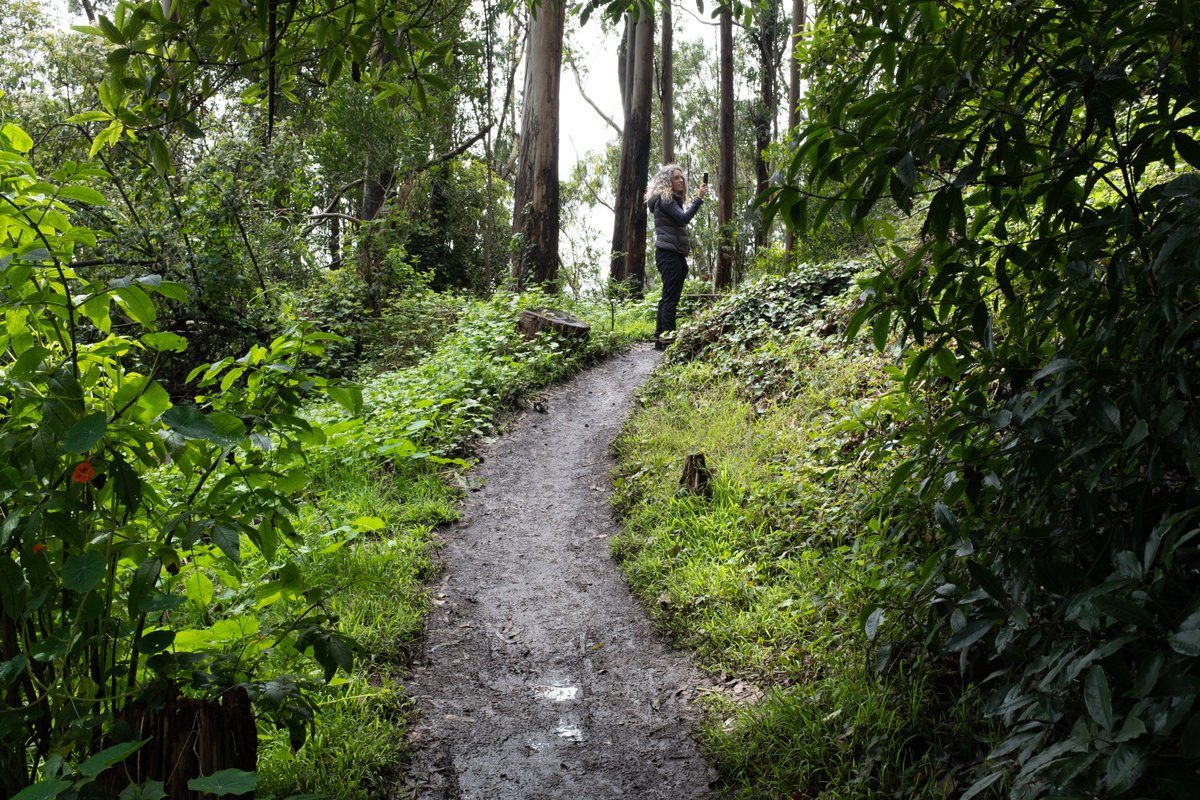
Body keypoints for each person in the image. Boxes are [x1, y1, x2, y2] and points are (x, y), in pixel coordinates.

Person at [645, 164, 708, 350]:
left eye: (681, 177)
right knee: (670, 298)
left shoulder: (669, 199)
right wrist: (699, 198)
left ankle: (660, 339)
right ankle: (668, 341)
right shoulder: (666, 199)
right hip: (668, 253)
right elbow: (684, 218)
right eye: (676, 178)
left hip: (673, 252)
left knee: (668, 296)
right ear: (667, 182)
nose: (681, 180)